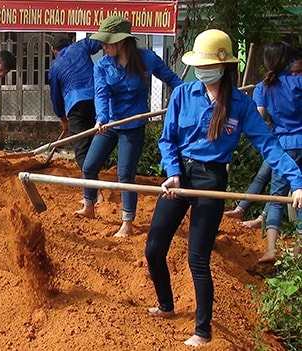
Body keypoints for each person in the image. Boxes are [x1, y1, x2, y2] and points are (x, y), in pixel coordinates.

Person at [144, 29, 302, 347]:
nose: (201, 70)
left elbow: (269, 146)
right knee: (153, 249)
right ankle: (165, 305)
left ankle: (203, 331)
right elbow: (167, 138)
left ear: (223, 64)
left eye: (206, 64)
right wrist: (172, 173)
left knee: (198, 258)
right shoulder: (183, 94)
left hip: (211, 180)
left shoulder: (240, 105)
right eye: (197, 64)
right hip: (180, 177)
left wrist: (298, 182)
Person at [74, 15, 182, 238]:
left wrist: (186, 99)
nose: (102, 47)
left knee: (125, 176)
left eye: (106, 42)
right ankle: (89, 205)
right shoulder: (102, 66)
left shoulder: (147, 60)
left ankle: (127, 223)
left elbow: (174, 81)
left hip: (133, 126)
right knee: (89, 166)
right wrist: (101, 119)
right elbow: (101, 95)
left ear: (121, 41)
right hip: (111, 123)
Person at [251, 42, 302, 263]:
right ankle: (299, 250)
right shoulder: (299, 82)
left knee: (275, 198)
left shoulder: (262, 88)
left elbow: (259, 117)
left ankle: (271, 249)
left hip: (283, 147)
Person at [48, 35, 101, 170]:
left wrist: (63, 120)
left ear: (54, 50)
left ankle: (93, 185)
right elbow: (101, 40)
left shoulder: (55, 67)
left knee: (81, 146)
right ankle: (94, 175)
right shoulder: (81, 46)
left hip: (76, 104)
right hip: (98, 99)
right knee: (96, 138)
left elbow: (56, 97)